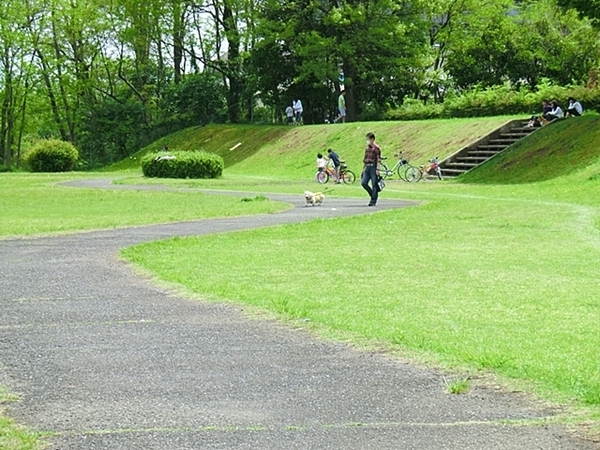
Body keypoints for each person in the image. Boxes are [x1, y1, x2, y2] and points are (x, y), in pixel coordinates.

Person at [361, 132, 382, 207]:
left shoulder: (376, 148)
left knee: (374, 184)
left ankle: (373, 200)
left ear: (372, 139)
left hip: (373, 167)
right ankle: (372, 194)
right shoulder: (367, 148)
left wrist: (377, 169)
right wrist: (363, 168)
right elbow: (365, 158)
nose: (367, 141)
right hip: (367, 167)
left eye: (368, 139)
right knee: (364, 183)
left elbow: (378, 159)